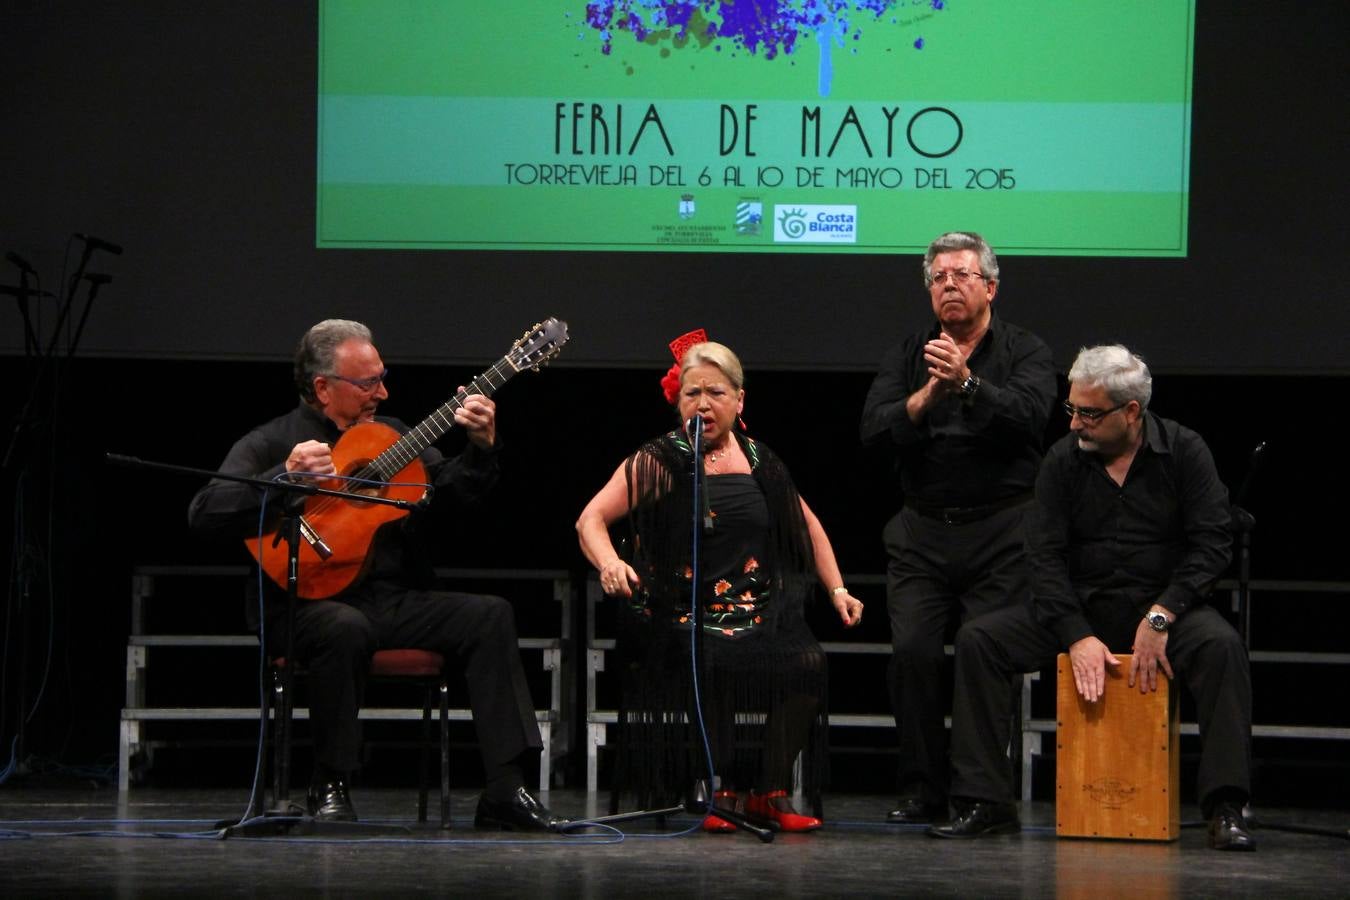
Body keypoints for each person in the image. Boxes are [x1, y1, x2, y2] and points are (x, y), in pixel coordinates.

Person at [188, 319, 563, 831]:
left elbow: (455, 496)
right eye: (368, 383)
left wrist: (480, 447)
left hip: (390, 600)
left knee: (489, 615)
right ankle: (329, 783)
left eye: (382, 378)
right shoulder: (274, 440)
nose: (382, 392)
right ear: (323, 387)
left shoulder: (391, 436)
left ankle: (504, 788)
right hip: (300, 608)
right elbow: (206, 511)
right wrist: (283, 478)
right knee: (344, 627)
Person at [930, 345, 1254, 850]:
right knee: (981, 640)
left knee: (1222, 647)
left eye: (1089, 413)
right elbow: (1043, 556)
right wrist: (1075, 633)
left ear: (1131, 412)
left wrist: (1163, 614)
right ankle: (984, 801)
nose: (1076, 423)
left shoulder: (1185, 451)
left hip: (1161, 606)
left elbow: (1213, 544)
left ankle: (1226, 809)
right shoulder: (1063, 459)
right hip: (1081, 607)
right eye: (1072, 409)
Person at [576, 335, 864, 833]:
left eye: (716, 393)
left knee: (807, 663)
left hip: (753, 609)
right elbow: (590, 520)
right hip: (680, 610)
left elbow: (806, 525)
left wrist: (837, 588)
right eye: (693, 393)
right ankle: (718, 789)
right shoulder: (661, 459)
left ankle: (767, 792)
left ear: (739, 400)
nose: (703, 404)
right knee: (713, 659)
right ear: (677, 400)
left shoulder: (759, 459)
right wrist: (609, 563)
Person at [859, 232, 1057, 824]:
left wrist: (969, 384)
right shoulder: (908, 353)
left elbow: (1029, 420)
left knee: (982, 650)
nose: (948, 284)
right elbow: (873, 430)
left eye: (961, 275)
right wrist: (929, 394)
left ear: (990, 286)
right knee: (913, 652)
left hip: (1001, 531)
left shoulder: (1026, 351)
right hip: (922, 532)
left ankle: (980, 796)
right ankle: (922, 787)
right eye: (938, 277)